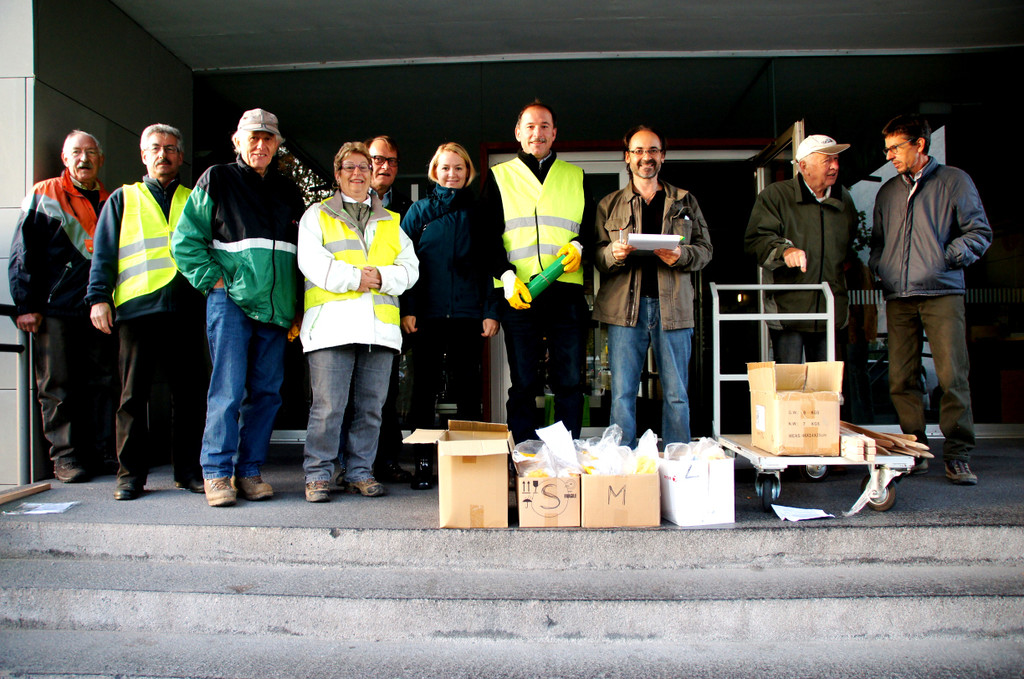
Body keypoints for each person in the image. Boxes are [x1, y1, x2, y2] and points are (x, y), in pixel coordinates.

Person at [171, 108, 305, 507]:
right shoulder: (217, 178)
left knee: (266, 394)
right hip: (230, 302)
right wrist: (214, 281)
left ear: (277, 145)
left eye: (268, 138)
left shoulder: (288, 190)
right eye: (253, 137)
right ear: (238, 141)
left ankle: (249, 471)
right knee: (227, 390)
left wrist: (296, 305)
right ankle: (216, 472)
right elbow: (184, 242)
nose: (260, 145)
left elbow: (299, 254)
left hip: (276, 308)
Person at [870, 114, 992, 485]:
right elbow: (878, 243)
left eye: (895, 147)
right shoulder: (887, 192)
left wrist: (946, 258)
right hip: (899, 297)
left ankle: (958, 455)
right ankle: (915, 450)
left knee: (952, 376)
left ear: (919, 144)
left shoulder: (955, 181)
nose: (889, 156)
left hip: (942, 293)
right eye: (887, 149)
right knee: (900, 378)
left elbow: (979, 232)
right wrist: (881, 268)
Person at [86, 124, 206, 500]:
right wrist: (98, 297)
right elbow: (104, 252)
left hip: (186, 308)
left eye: (170, 148)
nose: (162, 154)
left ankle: (188, 471)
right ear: (143, 155)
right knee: (132, 397)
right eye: (155, 148)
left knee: (189, 396)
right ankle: (130, 476)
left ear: (180, 156)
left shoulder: (196, 198)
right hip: (137, 309)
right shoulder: (123, 199)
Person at [298, 141, 418, 502]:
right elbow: (311, 262)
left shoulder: (391, 221)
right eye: (349, 167)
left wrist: (381, 277)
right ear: (337, 174)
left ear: (372, 173)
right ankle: (318, 475)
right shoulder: (316, 215)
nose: (357, 173)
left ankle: (359, 472)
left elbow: (410, 268)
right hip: (331, 328)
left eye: (364, 167)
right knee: (328, 408)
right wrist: (355, 278)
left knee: (371, 409)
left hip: (378, 329)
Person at [593, 125, 713, 447]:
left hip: (673, 309)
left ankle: (677, 461)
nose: (646, 157)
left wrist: (681, 255)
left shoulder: (685, 201)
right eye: (638, 151)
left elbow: (705, 250)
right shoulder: (609, 204)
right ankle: (625, 463)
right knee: (622, 394)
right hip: (624, 311)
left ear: (663, 156)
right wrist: (613, 254)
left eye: (653, 151)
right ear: (627, 157)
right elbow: (597, 255)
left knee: (676, 394)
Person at [9, 130, 117, 483]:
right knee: (57, 385)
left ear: (101, 159)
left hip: (100, 307)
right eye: (76, 152)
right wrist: (26, 304)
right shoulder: (45, 193)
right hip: (54, 308)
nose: (84, 159)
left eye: (91, 152)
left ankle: (104, 453)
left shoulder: (112, 200)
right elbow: (23, 251)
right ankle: (66, 458)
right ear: (65, 158)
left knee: (104, 382)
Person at [481, 100, 592, 443]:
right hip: (520, 293)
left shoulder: (575, 176)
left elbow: (590, 228)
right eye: (530, 126)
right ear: (518, 133)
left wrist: (580, 246)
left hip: (566, 292)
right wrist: (506, 275)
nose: (537, 133)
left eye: (544, 126)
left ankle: (565, 456)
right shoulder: (500, 176)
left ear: (554, 133)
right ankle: (525, 457)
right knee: (524, 382)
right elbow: (486, 236)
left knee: (569, 381)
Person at [400, 142, 500, 488]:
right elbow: (405, 265)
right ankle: (423, 465)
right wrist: (409, 309)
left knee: (468, 392)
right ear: (435, 171)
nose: (452, 174)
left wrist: (491, 310)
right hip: (426, 316)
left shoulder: (480, 212)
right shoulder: (419, 212)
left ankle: (469, 465)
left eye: (459, 168)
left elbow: (491, 265)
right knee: (424, 392)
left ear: (468, 172)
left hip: (469, 316)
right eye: (445, 167)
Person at [744, 134, 859, 363]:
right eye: (827, 161)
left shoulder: (844, 199)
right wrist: (785, 251)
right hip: (789, 311)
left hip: (830, 310)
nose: (835, 166)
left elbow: (848, 246)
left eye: (836, 160)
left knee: (825, 384)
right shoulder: (776, 195)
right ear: (803, 166)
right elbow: (756, 241)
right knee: (789, 382)